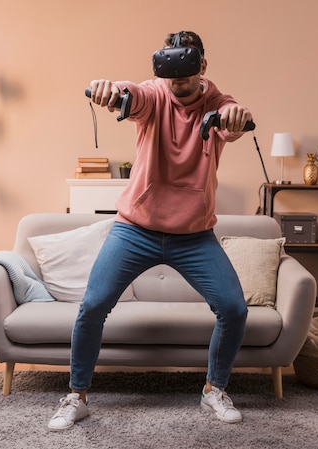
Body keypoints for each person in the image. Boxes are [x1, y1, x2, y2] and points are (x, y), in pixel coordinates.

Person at [48, 31, 254, 431]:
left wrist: (238, 116)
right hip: (135, 230)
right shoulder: (154, 94)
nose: (177, 82)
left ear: (202, 67)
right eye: (170, 74)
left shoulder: (218, 103)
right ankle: (77, 396)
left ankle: (214, 389)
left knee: (234, 308)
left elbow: (234, 119)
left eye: (186, 74)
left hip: (194, 235)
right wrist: (110, 89)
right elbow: (132, 95)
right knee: (92, 306)